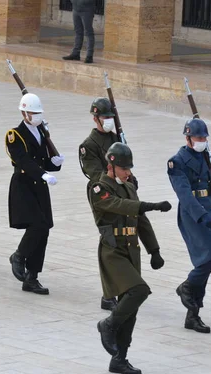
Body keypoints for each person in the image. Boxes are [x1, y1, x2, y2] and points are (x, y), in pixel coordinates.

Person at [90, 142, 170, 374]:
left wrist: (154, 250)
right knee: (139, 291)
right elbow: (118, 205)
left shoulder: (129, 186)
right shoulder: (98, 187)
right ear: (111, 165)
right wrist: (150, 205)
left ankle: (120, 358)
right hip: (112, 250)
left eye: (130, 168)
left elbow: (140, 220)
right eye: (125, 168)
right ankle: (107, 325)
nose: (129, 172)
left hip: (131, 250)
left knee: (131, 308)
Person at [168, 118, 211, 334]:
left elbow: (205, 183)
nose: (202, 140)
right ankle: (186, 286)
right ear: (188, 138)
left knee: (210, 260)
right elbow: (184, 193)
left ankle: (193, 315)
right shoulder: (177, 162)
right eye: (198, 137)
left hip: (208, 210)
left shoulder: (204, 155)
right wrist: (200, 215)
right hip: (193, 215)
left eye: (204, 137)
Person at [6, 93, 64, 295]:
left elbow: (41, 160)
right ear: (23, 113)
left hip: (40, 185)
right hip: (23, 185)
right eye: (32, 113)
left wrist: (53, 164)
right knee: (37, 225)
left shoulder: (40, 131)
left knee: (44, 228)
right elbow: (23, 160)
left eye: (38, 113)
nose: (36, 116)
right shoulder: (14, 134)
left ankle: (32, 277)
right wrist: (43, 173)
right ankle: (18, 256)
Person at [79, 97, 126, 311]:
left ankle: (122, 287)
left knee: (124, 239)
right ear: (95, 118)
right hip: (102, 195)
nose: (108, 120)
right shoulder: (88, 145)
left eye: (110, 117)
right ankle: (108, 295)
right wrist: (116, 176)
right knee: (110, 241)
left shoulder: (118, 139)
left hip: (122, 192)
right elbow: (95, 173)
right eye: (105, 117)